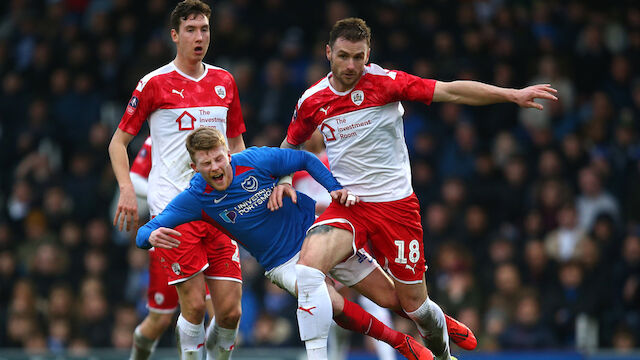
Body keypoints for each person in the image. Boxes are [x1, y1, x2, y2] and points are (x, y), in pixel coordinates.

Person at [280, 18, 557, 360]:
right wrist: (282, 180)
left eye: (358, 56)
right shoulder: (312, 100)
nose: (351, 65)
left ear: (369, 54)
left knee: (415, 307)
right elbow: (289, 146)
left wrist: (511, 94)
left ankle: (441, 351)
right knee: (308, 270)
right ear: (328, 53)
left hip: (396, 208)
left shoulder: (386, 82)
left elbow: (452, 90)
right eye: (343, 56)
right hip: (350, 205)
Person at [136, 127, 434, 360]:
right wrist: (149, 236)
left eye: (218, 158)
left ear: (227, 153)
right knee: (329, 303)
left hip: (317, 233)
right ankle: (399, 342)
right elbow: (145, 230)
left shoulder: (252, 160)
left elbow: (303, 158)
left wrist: (329, 189)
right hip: (282, 262)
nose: (216, 167)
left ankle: (441, 325)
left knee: (393, 299)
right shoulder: (195, 197)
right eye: (206, 163)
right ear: (194, 166)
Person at [108, 1, 244, 359]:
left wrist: (247, 190)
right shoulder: (154, 83)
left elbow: (236, 145)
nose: (199, 37)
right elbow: (118, 143)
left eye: (204, 29)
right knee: (195, 307)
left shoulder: (224, 81)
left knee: (230, 312)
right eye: (191, 30)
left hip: (221, 205)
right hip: (175, 206)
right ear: (175, 35)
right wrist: (126, 190)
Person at [126, 137, 215, 360]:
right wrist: (175, 200)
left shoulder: (209, 129)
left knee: (220, 314)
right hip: (171, 235)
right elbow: (135, 178)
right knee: (160, 319)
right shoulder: (159, 135)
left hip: (208, 231)